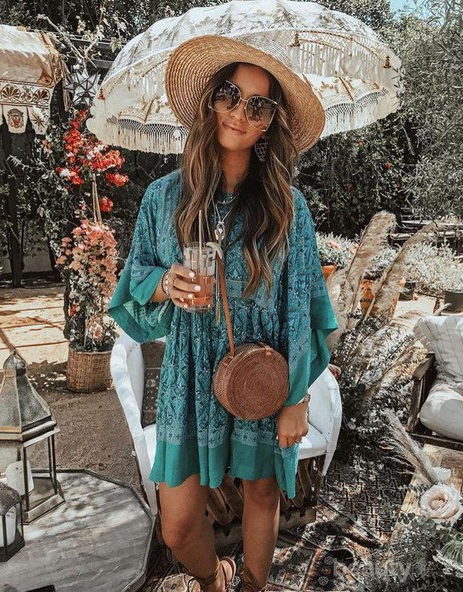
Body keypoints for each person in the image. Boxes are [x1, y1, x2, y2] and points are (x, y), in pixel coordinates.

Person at [108, 35, 338, 592]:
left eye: (259, 105)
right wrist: (165, 284)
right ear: (212, 99)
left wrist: (297, 398)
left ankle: (253, 586)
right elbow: (134, 281)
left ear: (270, 124)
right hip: (189, 373)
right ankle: (215, 577)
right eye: (231, 95)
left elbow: (304, 305)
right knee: (178, 527)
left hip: (262, 370)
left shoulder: (287, 206)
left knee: (261, 492)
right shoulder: (164, 197)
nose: (240, 112)